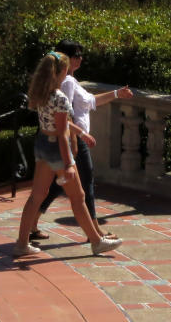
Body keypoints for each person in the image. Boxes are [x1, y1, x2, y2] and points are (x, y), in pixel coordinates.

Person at [13, 51, 123, 257]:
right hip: (56, 150)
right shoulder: (61, 98)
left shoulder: (41, 93)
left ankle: (21, 243)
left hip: (42, 145)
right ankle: (97, 242)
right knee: (78, 197)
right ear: (61, 71)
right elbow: (63, 134)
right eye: (65, 69)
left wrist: (80, 132)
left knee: (36, 197)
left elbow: (56, 125)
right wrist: (69, 164)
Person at [29, 39, 133, 242]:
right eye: (76, 55)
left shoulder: (71, 81)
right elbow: (63, 116)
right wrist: (79, 136)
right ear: (66, 59)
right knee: (85, 185)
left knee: (56, 186)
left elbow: (91, 101)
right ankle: (96, 234)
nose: (80, 58)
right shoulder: (66, 83)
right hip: (73, 140)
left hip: (71, 140)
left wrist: (116, 94)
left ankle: (32, 225)